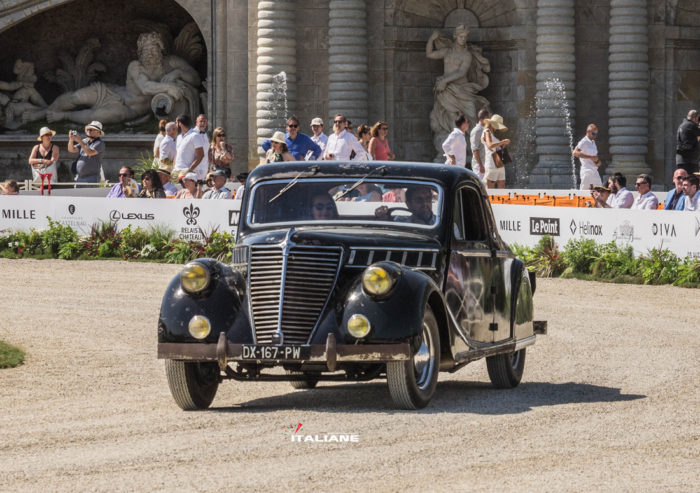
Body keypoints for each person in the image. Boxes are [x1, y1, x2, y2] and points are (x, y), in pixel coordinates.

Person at [46, 32, 201, 125]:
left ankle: (63, 115)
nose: (150, 53)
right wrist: (168, 87)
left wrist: (178, 73)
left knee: (97, 117)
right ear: (139, 52)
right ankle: (43, 112)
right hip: (111, 92)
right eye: (145, 50)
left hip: (128, 109)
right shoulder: (136, 66)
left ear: (161, 50)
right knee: (76, 96)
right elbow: (145, 87)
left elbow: (196, 79)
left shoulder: (172, 63)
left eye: (153, 48)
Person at [425, 24, 490, 150]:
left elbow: (461, 72)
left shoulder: (467, 55)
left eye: (465, 37)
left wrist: (445, 81)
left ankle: (474, 146)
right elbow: (430, 54)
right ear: (455, 36)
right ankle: (454, 147)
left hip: (462, 88)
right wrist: (431, 39)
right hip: (447, 91)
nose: (463, 39)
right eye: (461, 36)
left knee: (472, 113)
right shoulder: (447, 51)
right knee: (451, 117)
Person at [481, 114, 510, 189]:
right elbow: (490, 145)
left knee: (502, 184)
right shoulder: (486, 131)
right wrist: (502, 142)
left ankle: (500, 201)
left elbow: (495, 147)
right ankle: (490, 201)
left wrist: (502, 147)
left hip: (498, 162)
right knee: (490, 188)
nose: (497, 128)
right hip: (492, 163)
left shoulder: (492, 133)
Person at [173, 114, 206, 180]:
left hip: (187, 174)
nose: (175, 125)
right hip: (176, 172)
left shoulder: (194, 136)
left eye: (176, 123)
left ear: (180, 124)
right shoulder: (179, 137)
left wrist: (189, 169)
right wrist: (173, 168)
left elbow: (201, 155)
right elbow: (177, 153)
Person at [573, 123, 602, 190]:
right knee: (584, 191)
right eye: (593, 134)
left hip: (594, 170)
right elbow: (575, 152)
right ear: (587, 132)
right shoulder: (583, 141)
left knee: (600, 190)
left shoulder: (593, 143)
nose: (595, 136)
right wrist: (590, 157)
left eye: (596, 134)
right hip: (587, 170)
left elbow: (594, 157)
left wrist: (597, 161)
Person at [675, 109, 700, 174]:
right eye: (698, 119)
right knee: (692, 180)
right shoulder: (692, 125)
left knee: (683, 180)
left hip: (681, 159)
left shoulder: (682, 125)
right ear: (695, 118)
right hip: (689, 160)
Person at [470, 108, 490, 182]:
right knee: (481, 186)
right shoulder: (477, 130)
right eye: (488, 118)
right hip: (479, 165)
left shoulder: (484, 129)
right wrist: (480, 165)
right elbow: (475, 149)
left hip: (485, 163)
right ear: (485, 118)